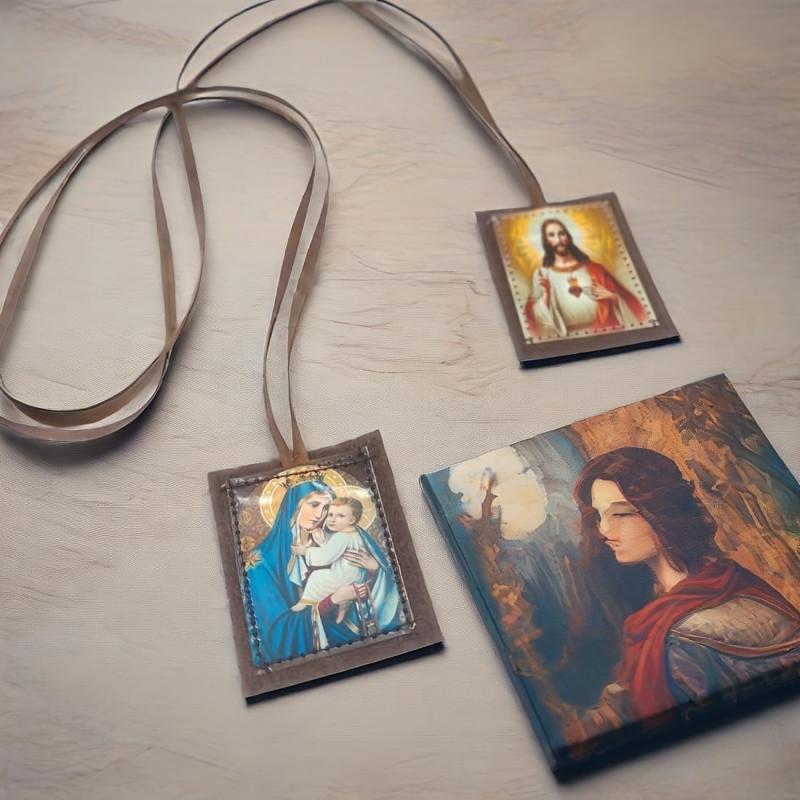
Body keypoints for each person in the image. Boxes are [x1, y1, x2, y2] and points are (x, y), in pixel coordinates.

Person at [568, 447, 800, 736]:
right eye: (600, 516)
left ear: (661, 513)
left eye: (621, 514)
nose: (604, 529)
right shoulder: (708, 581)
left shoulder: (687, 636)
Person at [244, 479, 401, 667]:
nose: (321, 515)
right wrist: (333, 600)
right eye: (314, 504)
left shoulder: (338, 535)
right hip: (314, 649)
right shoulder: (261, 563)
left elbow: (385, 586)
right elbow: (275, 632)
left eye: (327, 508)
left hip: (354, 641)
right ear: (295, 507)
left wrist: (374, 570)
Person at [524, 219, 648, 339]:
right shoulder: (542, 274)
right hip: (568, 340)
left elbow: (630, 301)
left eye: (561, 233)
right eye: (551, 235)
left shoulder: (595, 269)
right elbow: (530, 316)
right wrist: (546, 297)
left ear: (568, 237)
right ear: (546, 241)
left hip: (605, 333)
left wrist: (613, 297)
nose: (558, 239)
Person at [290, 496, 371, 624]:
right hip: (358, 577)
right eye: (330, 515)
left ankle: (305, 602)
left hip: (344, 576)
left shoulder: (342, 537)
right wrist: (323, 539)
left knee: (317, 577)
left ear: (352, 520)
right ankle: (344, 603)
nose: (333, 520)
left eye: (340, 516)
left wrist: (305, 551)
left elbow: (325, 557)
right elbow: (336, 548)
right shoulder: (354, 533)